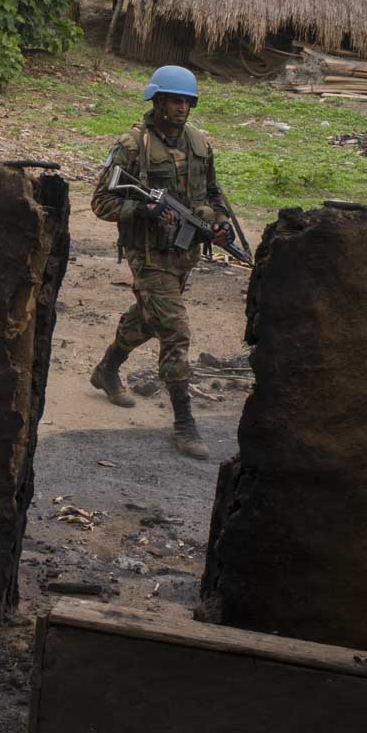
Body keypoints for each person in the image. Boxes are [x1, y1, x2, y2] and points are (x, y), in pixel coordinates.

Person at [89, 65, 233, 460]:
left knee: (149, 318)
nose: (182, 107)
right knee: (175, 329)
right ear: (157, 101)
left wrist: (221, 226)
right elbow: (101, 202)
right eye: (174, 100)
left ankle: (107, 368)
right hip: (148, 255)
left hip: (182, 254)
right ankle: (184, 422)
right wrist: (144, 211)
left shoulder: (200, 144)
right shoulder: (132, 146)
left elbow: (215, 194)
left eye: (187, 101)